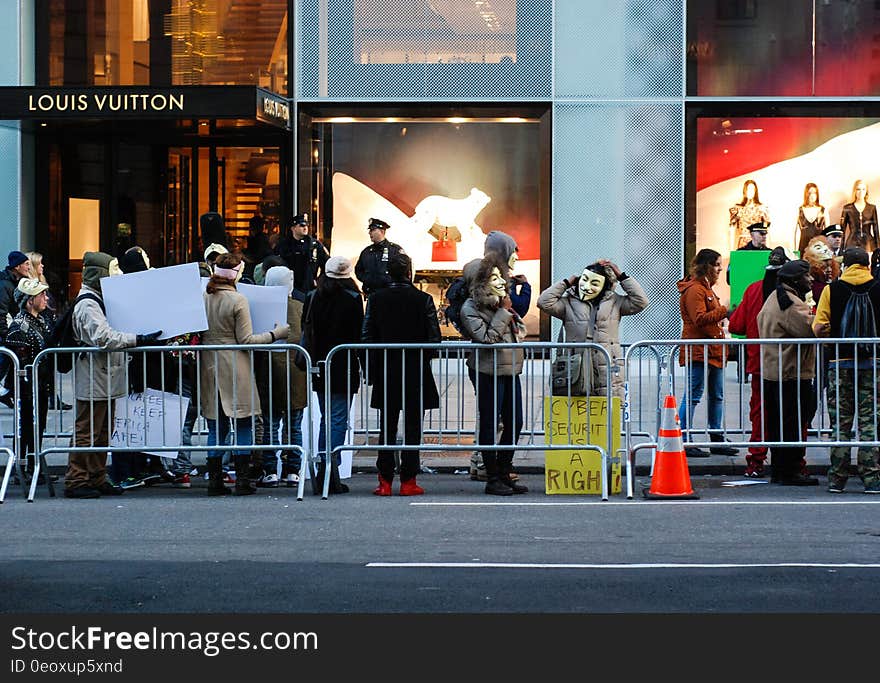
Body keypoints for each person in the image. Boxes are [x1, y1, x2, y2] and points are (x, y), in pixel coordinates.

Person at [64, 251, 161, 499]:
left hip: (107, 375)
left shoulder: (99, 299)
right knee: (88, 430)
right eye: (112, 271)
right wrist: (136, 339)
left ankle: (96, 476)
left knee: (104, 431)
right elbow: (104, 337)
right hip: (94, 376)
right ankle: (77, 479)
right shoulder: (87, 303)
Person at [200, 253, 289, 496]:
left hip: (208, 363)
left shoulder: (203, 296)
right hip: (234, 363)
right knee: (243, 422)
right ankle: (242, 480)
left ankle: (214, 482)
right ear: (237, 274)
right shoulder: (237, 300)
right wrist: (275, 334)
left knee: (215, 427)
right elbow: (247, 339)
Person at [362, 253, 441, 496]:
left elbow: (367, 335)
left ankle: (384, 480)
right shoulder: (423, 299)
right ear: (410, 272)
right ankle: (408, 480)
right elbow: (434, 339)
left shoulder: (376, 299)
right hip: (415, 369)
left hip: (387, 368)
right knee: (413, 426)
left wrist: (370, 370)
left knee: (387, 425)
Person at [812, 247, 880, 494]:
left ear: (846, 265)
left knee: (840, 423)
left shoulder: (832, 290)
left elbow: (818, 327)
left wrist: (834, 338)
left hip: (840, 365)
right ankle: (871, 478)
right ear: (867, 266)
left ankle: (837, 479)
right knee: (870, 422)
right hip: (874, 366)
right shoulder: (878, 288)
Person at [460, 253, 528, 496]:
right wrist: (504, 313)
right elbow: (487, 338)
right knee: (490, 423)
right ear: (479, 283)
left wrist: (507, 309)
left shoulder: (502, 302)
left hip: (511, 369)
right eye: (493, 278)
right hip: (488, 371)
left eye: (501, 276)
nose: (501, 282)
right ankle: (492, 476)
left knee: (515, 421)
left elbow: (517, 331)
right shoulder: (470, 308)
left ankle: (503, 470)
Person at [537, 259, 648, 400]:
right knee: (577, 413)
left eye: (595, 283)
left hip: (607, 365)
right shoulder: (568, 302)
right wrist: (566, 283)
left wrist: (621, 277)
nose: (587, 286)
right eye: (584, 280)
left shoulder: (616, 301)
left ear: (604, 286)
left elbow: (641, 302)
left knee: (607, 411)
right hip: (577, 367)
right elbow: (543, 302)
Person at [729, 246, 791, 477]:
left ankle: (756, 460)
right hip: (787, 364)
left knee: (760, 414)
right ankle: (790, 461)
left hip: (758, 363)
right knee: (790, 413)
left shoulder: (753, 289)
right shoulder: (789, 294)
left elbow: (736, 326)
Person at [756, 259, 819, 486]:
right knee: (792, 425)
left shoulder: (775, 297)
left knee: (778, 425)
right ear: (795, 280)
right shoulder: (790, 304)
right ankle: (791, 471)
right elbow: (811, 329)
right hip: (791, 373)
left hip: (775, 372)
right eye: (807, 276)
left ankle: (780, 469)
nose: (811, 279)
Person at [305, 255, 364, 494]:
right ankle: (331, 469)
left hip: (320, 364)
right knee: (339, 418)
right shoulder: (352, 299)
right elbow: (359, 333)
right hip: (344, 364)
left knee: (326, 417)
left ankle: (324, 466)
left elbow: (306, 330)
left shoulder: (312, 298)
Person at [677, 248, 737, 458]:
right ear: (707, 266)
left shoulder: (705, 289)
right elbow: (700, 318)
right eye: (717, 264)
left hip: (711, 350)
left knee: (716, 395)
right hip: (700, 351)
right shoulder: (696, 289)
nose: (720, 269)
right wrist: (725, 310)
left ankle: (715, 437)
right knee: (694, 396)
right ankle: (683, 439)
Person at [253, 265, 308, 488]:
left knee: (270, 424)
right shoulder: (301, 307)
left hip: (267, 372)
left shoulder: (258, 308)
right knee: (294, 425)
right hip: (296, 372)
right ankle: (293, 470)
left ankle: (269, 470)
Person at [5, 278, 54, 481]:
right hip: (26, 388)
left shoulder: (41, 320)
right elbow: (18, 361)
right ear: (29, 300)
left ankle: (35, 466)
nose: (46, 297)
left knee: (38, 425)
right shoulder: (19, 326)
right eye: (41, 294)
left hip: (40, 385)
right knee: (26, 426)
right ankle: (23, 467)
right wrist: (24, 388)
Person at [0, 250, 33, 408]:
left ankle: (9, 391)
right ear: (17, 266)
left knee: (13, 361)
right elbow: (2, 312)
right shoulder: (5, 285)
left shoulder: (20, 282)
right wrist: (6, 335)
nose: (29, 267)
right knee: (6, 361)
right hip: (6, 333)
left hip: (14, 332)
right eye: (26, 264)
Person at [275, 213, 329, 298]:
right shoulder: (284, 245)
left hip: (310, 288)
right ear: (293, 228)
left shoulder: (315, 245)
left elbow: (327, 265)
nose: (305, 228)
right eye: (301, 225)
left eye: (306, 225)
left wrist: (319, 281)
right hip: (291, 288)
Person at [354, 217, 405, 298]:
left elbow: (404, 270)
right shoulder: (366, 252)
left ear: (382, 231)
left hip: (390, 295)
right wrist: (367, 279)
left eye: (373, 230)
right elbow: (358, 270)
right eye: (369, 230)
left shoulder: (394, 250)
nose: (369, 233)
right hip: (371, 294)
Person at [728, 179, 770, 252]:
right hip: (743, 243)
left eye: (753, 189)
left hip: (758, 243)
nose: (751, 192)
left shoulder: (762, 209)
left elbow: (767, 229)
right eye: (748, 189)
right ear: (745, 191)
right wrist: (731, 250)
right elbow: (732, 229)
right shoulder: (738, 209)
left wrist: (768, 249)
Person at [840, 179, 878, 252]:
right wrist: (841, 250)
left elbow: (876, 230)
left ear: (866, 191)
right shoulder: (847, 208)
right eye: (858, 189)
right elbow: (842, 231)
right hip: (852, 243)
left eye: (863, 189)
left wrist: (878, 249)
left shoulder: (872, 208)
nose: (861, 192)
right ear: (855, 191)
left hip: (869, 245)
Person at [802, 236, 839, 308]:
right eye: (824, 267)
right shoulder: (812, 288)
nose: (829, 270)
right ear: (815, 268)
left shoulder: (831, 285)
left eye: (831, 266)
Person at [794, 182, 826, 254]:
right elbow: (795, 232)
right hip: (803, 246)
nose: (812, 196)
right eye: (809, 193)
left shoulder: (823, 210)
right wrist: (795, 251)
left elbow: (827, 232)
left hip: (819, 247)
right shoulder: (800, 210)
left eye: (814, 193)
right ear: (806, 194)